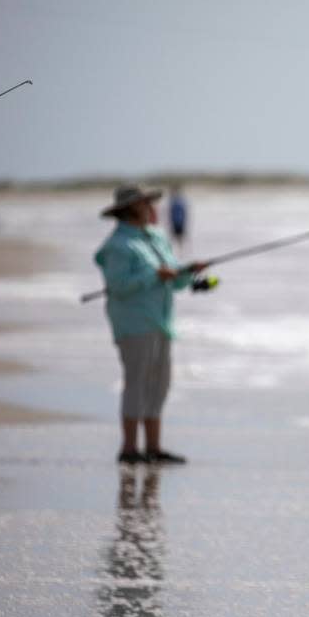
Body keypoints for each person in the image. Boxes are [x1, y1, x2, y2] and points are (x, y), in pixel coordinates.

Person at [94, 184, 208, 464]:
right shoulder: (117, 246)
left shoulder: (157, 238)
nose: (151, 208)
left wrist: (188, 272)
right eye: (145, 204)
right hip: (133, 323)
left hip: (162, 321)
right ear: (131, 209)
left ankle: (153, 448)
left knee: (160, 384)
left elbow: (176, 282)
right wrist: (155, 275)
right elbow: (119, 286)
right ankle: (129, 449)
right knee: (137, 383)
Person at [168, 184, 188, 249]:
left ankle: (181, 248)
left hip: (180, 220)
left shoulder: (180, 200)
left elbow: (184, 211)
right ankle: (179, 248)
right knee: (175, 235)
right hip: (175, 221)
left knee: (180, 235)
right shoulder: (172, 200)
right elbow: (170, 212)